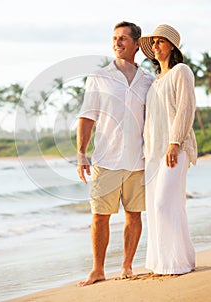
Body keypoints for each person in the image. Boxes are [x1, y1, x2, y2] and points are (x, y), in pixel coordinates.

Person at [76, 21, 154, 286]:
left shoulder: (149, 80)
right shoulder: (100, 76)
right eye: (114, 38)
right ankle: (98, 269)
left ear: (136, 43)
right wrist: (81, 154)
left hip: (138, 159)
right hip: (106, 159)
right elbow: (87, 117)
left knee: (134, 215)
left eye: (123, 38)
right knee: (100, 216)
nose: (117, 42)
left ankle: (127, 266)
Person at [139, 24, 197, 276]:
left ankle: (177, 263)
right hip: (153, 153)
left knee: (165, 203)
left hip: (175, 147)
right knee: (156, 206)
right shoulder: (154, 82)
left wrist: (174, 143)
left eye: (160, 42)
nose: (155, 47)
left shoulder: (180, 71)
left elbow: (186, 108)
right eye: (153, 43)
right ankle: (166, 262)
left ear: (172, 45)